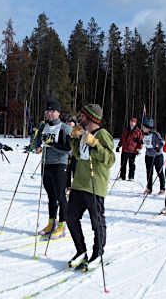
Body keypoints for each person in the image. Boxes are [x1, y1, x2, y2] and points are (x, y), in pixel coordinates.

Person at [66, 104, 115, 272]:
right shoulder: (82, 133)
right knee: (71, 217)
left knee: (97, 222)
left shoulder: (103, 134)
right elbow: (79, 155)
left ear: (91, 118)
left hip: (95, 186)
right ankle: (81, 251)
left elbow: (110, 159)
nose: (80, 117)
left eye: (83, 115)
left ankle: (98, 253)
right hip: (79, 183)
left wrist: (95, 144)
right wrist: (74, 139)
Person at [34, 99, 71, 239]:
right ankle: (51, 223)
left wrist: (53, 145)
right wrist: (37, 144)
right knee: (51, 196)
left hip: (60, 164)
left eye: (52, 111)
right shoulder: (43, 126)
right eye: (47, 111)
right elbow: (38, 142)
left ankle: (62, 226)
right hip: (46, 164)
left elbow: (68, 148)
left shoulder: (64, 128)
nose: (49, 113)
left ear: (58, 113)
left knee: (61, 196)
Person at [141, 117, 166, 195]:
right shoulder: (143, 134)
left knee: (159, 172)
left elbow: (161, 143)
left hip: (157, 156)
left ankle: (162, 188)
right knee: (149, 173)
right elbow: (143, 142)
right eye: (143, 127)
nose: (142, 128)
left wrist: (158, 147)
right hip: (148, 156)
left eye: (144, 127)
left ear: (148, 128)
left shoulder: (155, 134)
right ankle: (149, 188)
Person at [66, 116, 78, 193]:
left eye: (72, 122)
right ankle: (68, 187)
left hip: (75, 156)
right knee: (67, 172)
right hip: (67, 155)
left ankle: (75, 187)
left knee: (75, 171)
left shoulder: (77, 132)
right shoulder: (65, 131)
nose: (70, 124)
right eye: (69, 122)